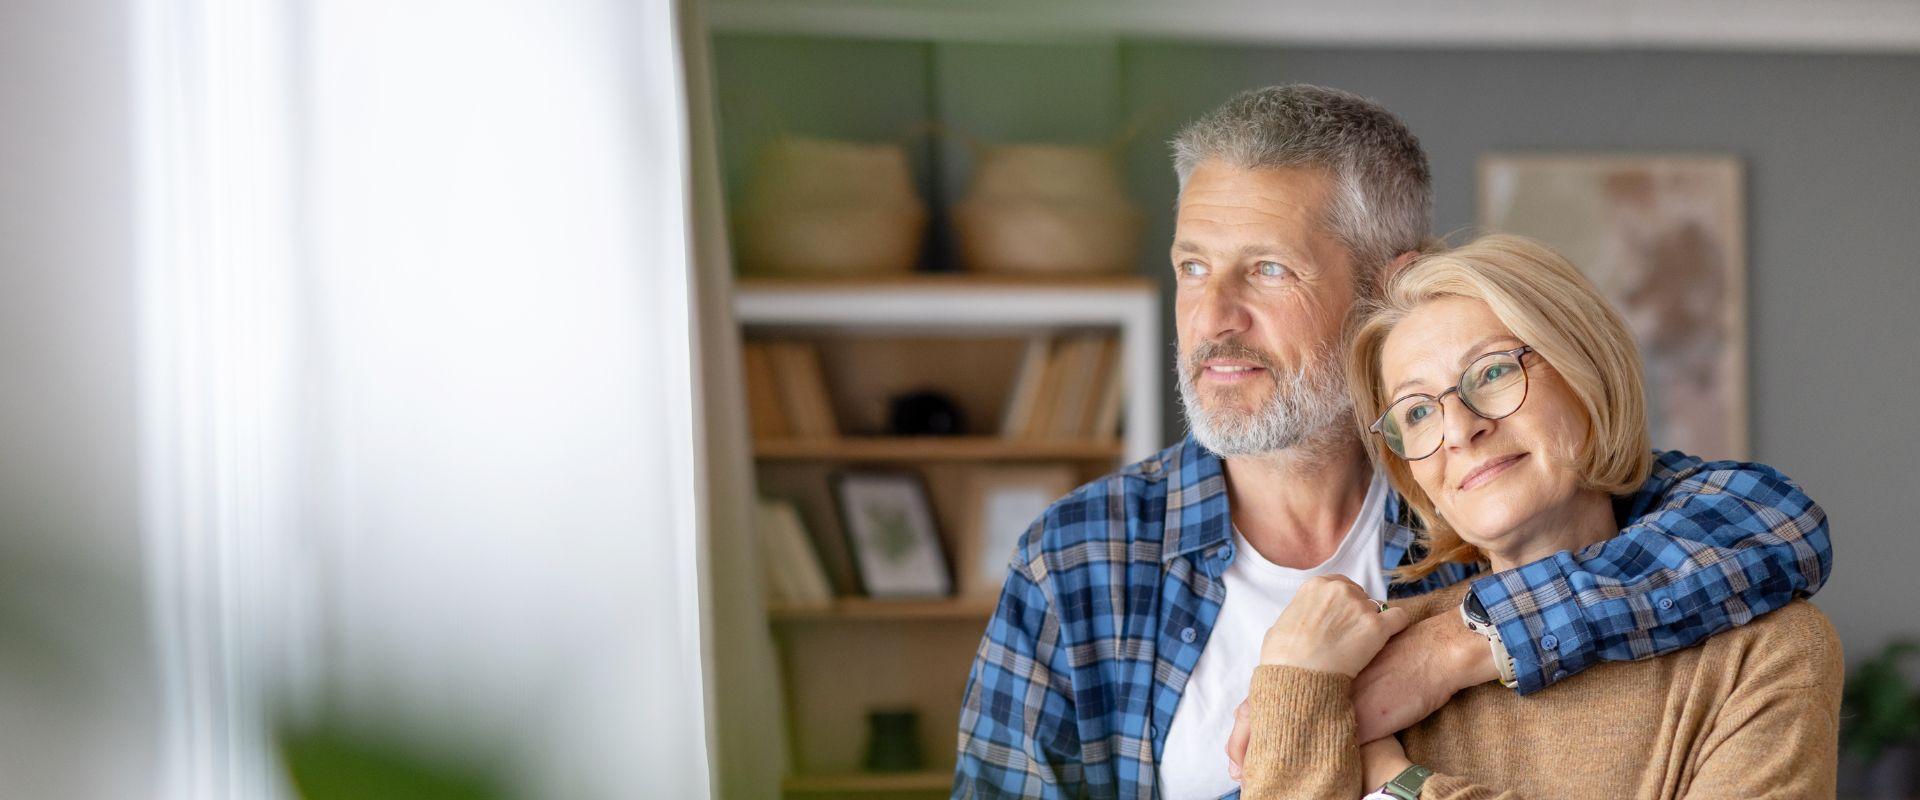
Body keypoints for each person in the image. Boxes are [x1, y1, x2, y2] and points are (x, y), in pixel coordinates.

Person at [951, 85, 1832, 799]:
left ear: (1387, 283)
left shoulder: (1483, 506)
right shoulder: (1081, 557)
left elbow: (1774, 522)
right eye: (1192, 267)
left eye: (1267, 269)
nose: (1213, 318)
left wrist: (1454, 647)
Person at [1236, 234, 1842, 799]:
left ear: (1589, 379)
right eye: (1417, 411)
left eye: (1494, 372)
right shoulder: (1357, 666)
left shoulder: (1765, 651)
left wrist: (1404, 786)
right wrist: (1297, 689)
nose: (1459, 429)